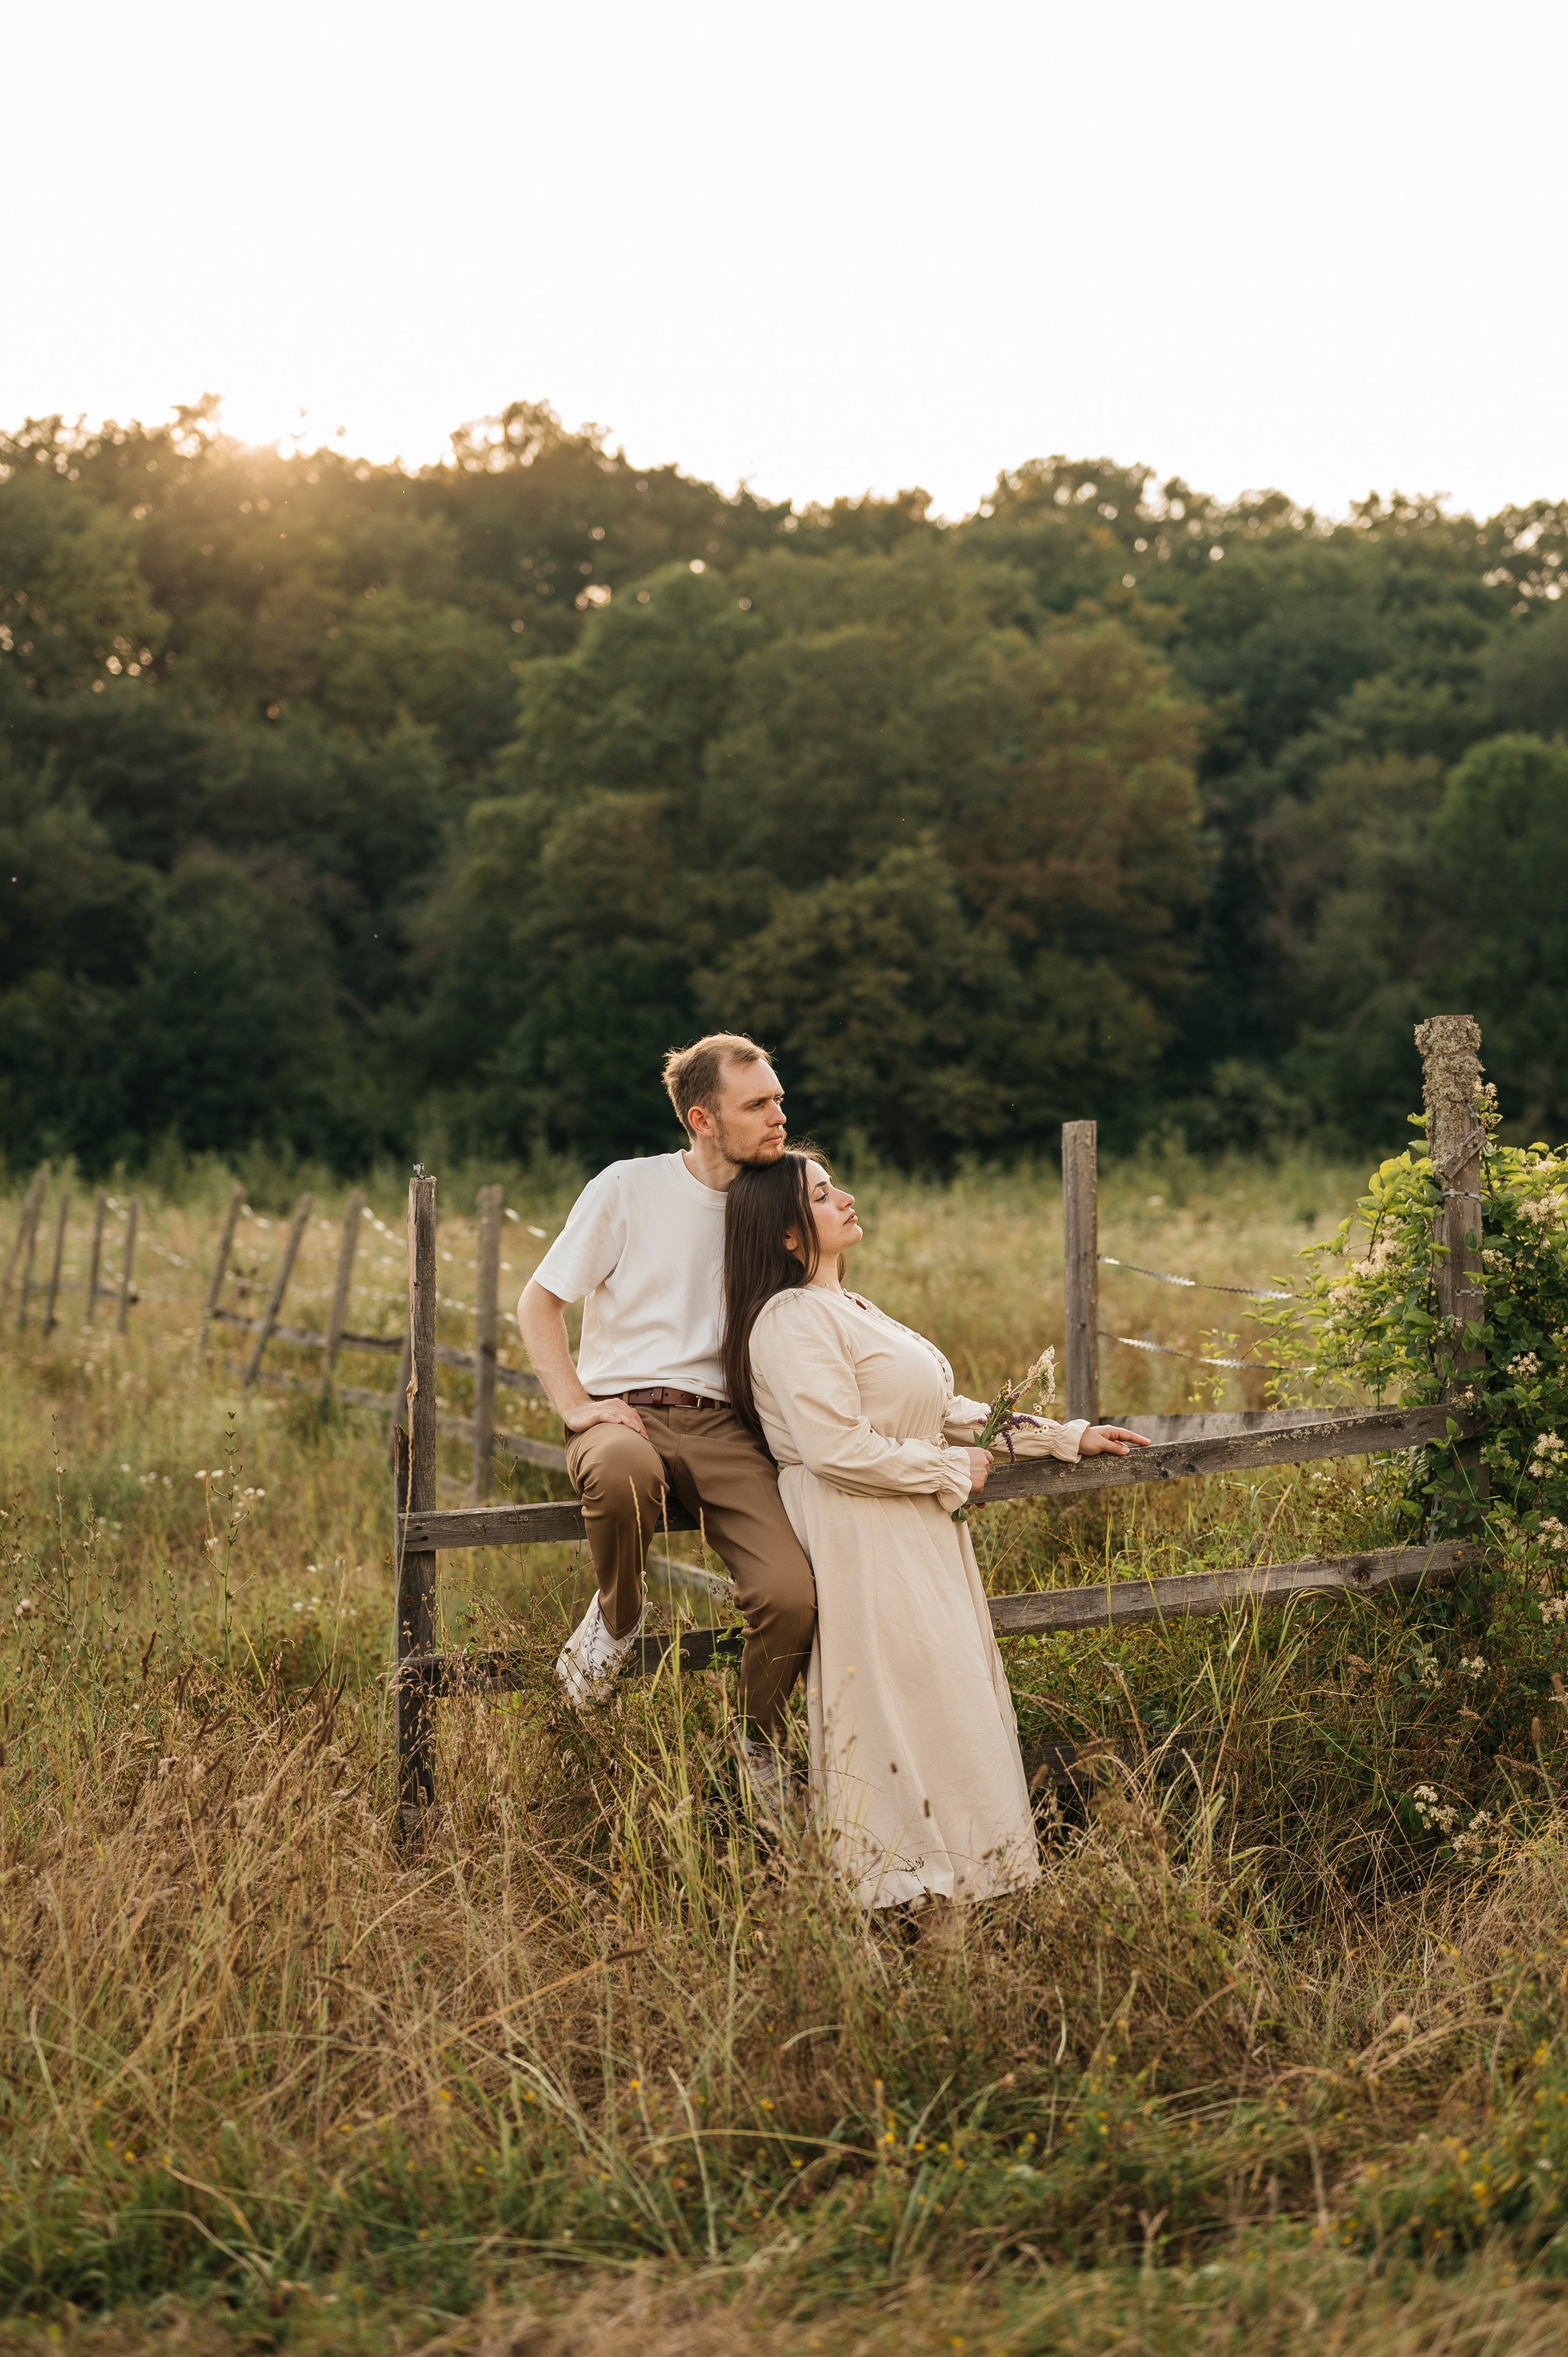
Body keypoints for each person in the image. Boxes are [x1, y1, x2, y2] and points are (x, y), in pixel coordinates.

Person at [722, 1149, 1148, 1909]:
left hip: (910, 1528)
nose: (846, 1197)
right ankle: (909, 1898)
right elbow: (834, 1447)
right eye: (823, 1194)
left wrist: (1062, 1436)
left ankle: (966, 1886)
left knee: (945, 1697)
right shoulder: (790, 1318)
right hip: (859, 1532)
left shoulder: (849, 1304)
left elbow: (939, 1414)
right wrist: (949, 1471)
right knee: (898, 1707)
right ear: (788, 1234)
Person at [517, 1033, 816, 1822]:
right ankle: (619, 1618)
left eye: (779, 1098)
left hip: (725, 1426)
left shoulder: (777, 1197)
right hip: (622, 1411)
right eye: (759, 1104)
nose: (779, 1114)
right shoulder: (628, 1187)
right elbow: (538, 1302)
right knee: (621, 1472)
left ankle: (758, 1748)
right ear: (702, 1118)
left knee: (790, 1596)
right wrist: (578, 1406)